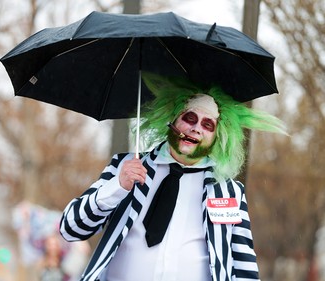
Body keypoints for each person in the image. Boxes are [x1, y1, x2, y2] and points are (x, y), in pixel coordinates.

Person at [59, 73, 287, 281]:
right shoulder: (126, 167)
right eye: (190, 118)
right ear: (173, 120)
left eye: (207, 124)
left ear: (218, 136)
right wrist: (117, 186)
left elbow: (243, 266)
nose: (196, 128)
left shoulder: (228, 191)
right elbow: (71, 228)